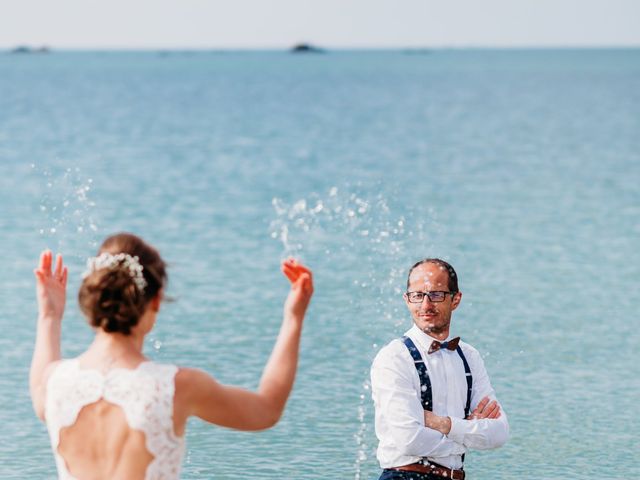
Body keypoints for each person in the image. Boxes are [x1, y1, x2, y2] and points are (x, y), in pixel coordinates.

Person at [29, 232, 313, 480]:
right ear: (155, 299)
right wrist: (294, 317)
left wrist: (50, 315)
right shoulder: (175, 386)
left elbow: (42, 377)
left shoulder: (54, 383)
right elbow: (265, 410)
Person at [371, 258, 508, 480]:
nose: (425, 305)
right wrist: (467, 435)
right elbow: (409, 439)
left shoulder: (469, 357)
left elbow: (499, 432)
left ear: (456, 299)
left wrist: (442, 423)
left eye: (436, 295)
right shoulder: (394, 357)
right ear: (407, 300)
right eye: (417, 295)